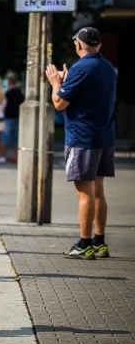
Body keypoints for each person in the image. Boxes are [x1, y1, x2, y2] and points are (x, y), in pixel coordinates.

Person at [45, 27, 117, 260]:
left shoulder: (80, 68)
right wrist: (69, 81)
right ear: (99, 45)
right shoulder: (108, 67)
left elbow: (59, 103)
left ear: (78, 45)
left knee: (84, 193)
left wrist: (56, 82)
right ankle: (99, 242)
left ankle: (84, 243)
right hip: (105, 137)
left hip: (83, 139)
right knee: (98, 191)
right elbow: (88, 93)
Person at [2, 72, 24, 163]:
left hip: (8, 117)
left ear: (9, 82)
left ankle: (3, 156)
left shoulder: (8, 93)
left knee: (5, 138)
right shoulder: (19, 93)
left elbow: (4, 106)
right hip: (17, 117)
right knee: (16, 139)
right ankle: (16, 156)